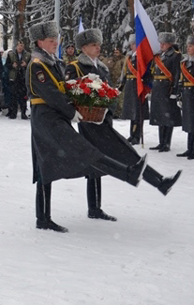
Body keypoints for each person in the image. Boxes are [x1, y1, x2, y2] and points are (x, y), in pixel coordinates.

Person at [27, 21, 148, 233]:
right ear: (40, 42)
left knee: (50, 165)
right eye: (50, 40)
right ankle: (127, 173)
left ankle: (43, 217)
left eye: (56, 40)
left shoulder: (52, 62)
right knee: (81, 152)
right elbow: (50, 93)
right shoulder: (37, 64)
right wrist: (71, 110)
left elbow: (63, 89)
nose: (56, 43)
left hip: (55, 117)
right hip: (46, 118)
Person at [66, 28, 181, 222]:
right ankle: (159, 182)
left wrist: (108, 105)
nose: (98, 47)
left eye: (98, 44)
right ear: (84, 47)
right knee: (124, 154)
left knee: (99, 162)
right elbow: (70, 90)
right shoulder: (76, 67)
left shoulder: (101, 67)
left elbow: (108, 90)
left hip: (103, 119)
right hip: (89, 123)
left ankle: (95, 207)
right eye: (94, 45)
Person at [148, 32, 182, 152]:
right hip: (158, 89)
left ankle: (166, 143)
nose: (161, 45)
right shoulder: (159, 56)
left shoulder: (176, 56)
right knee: (159, 116)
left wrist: (175, 90)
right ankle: (161, 142)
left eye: (164, 43)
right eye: (161, 43)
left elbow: (177, 74)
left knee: (168, 117)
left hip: (167, 89)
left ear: (170, 44)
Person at [119, 35, 150, 145]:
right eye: (132, 44)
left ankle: (137, 135)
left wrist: (146, 87)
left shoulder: (141, 57)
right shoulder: (129, 56)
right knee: (132, 111)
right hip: (130, 85)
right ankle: (132, 134)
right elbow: (125, 72)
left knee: (138, 112)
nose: (132, 46)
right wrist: (121, 84)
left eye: (134, 44)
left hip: (138, 86)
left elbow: (147, 73)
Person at [5, 40, 31, 119]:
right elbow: (7, 65)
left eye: (22, 46)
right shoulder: (11, 54)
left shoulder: (28, 55)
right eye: (19, 46)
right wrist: (12, 65)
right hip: (14, 77)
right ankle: (13, 113)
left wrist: (26, 65)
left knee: (23, 97)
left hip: (23, 78)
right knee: (13, 96)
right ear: (16, 47)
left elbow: (31, 66)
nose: (20, 47)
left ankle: (23, 113)